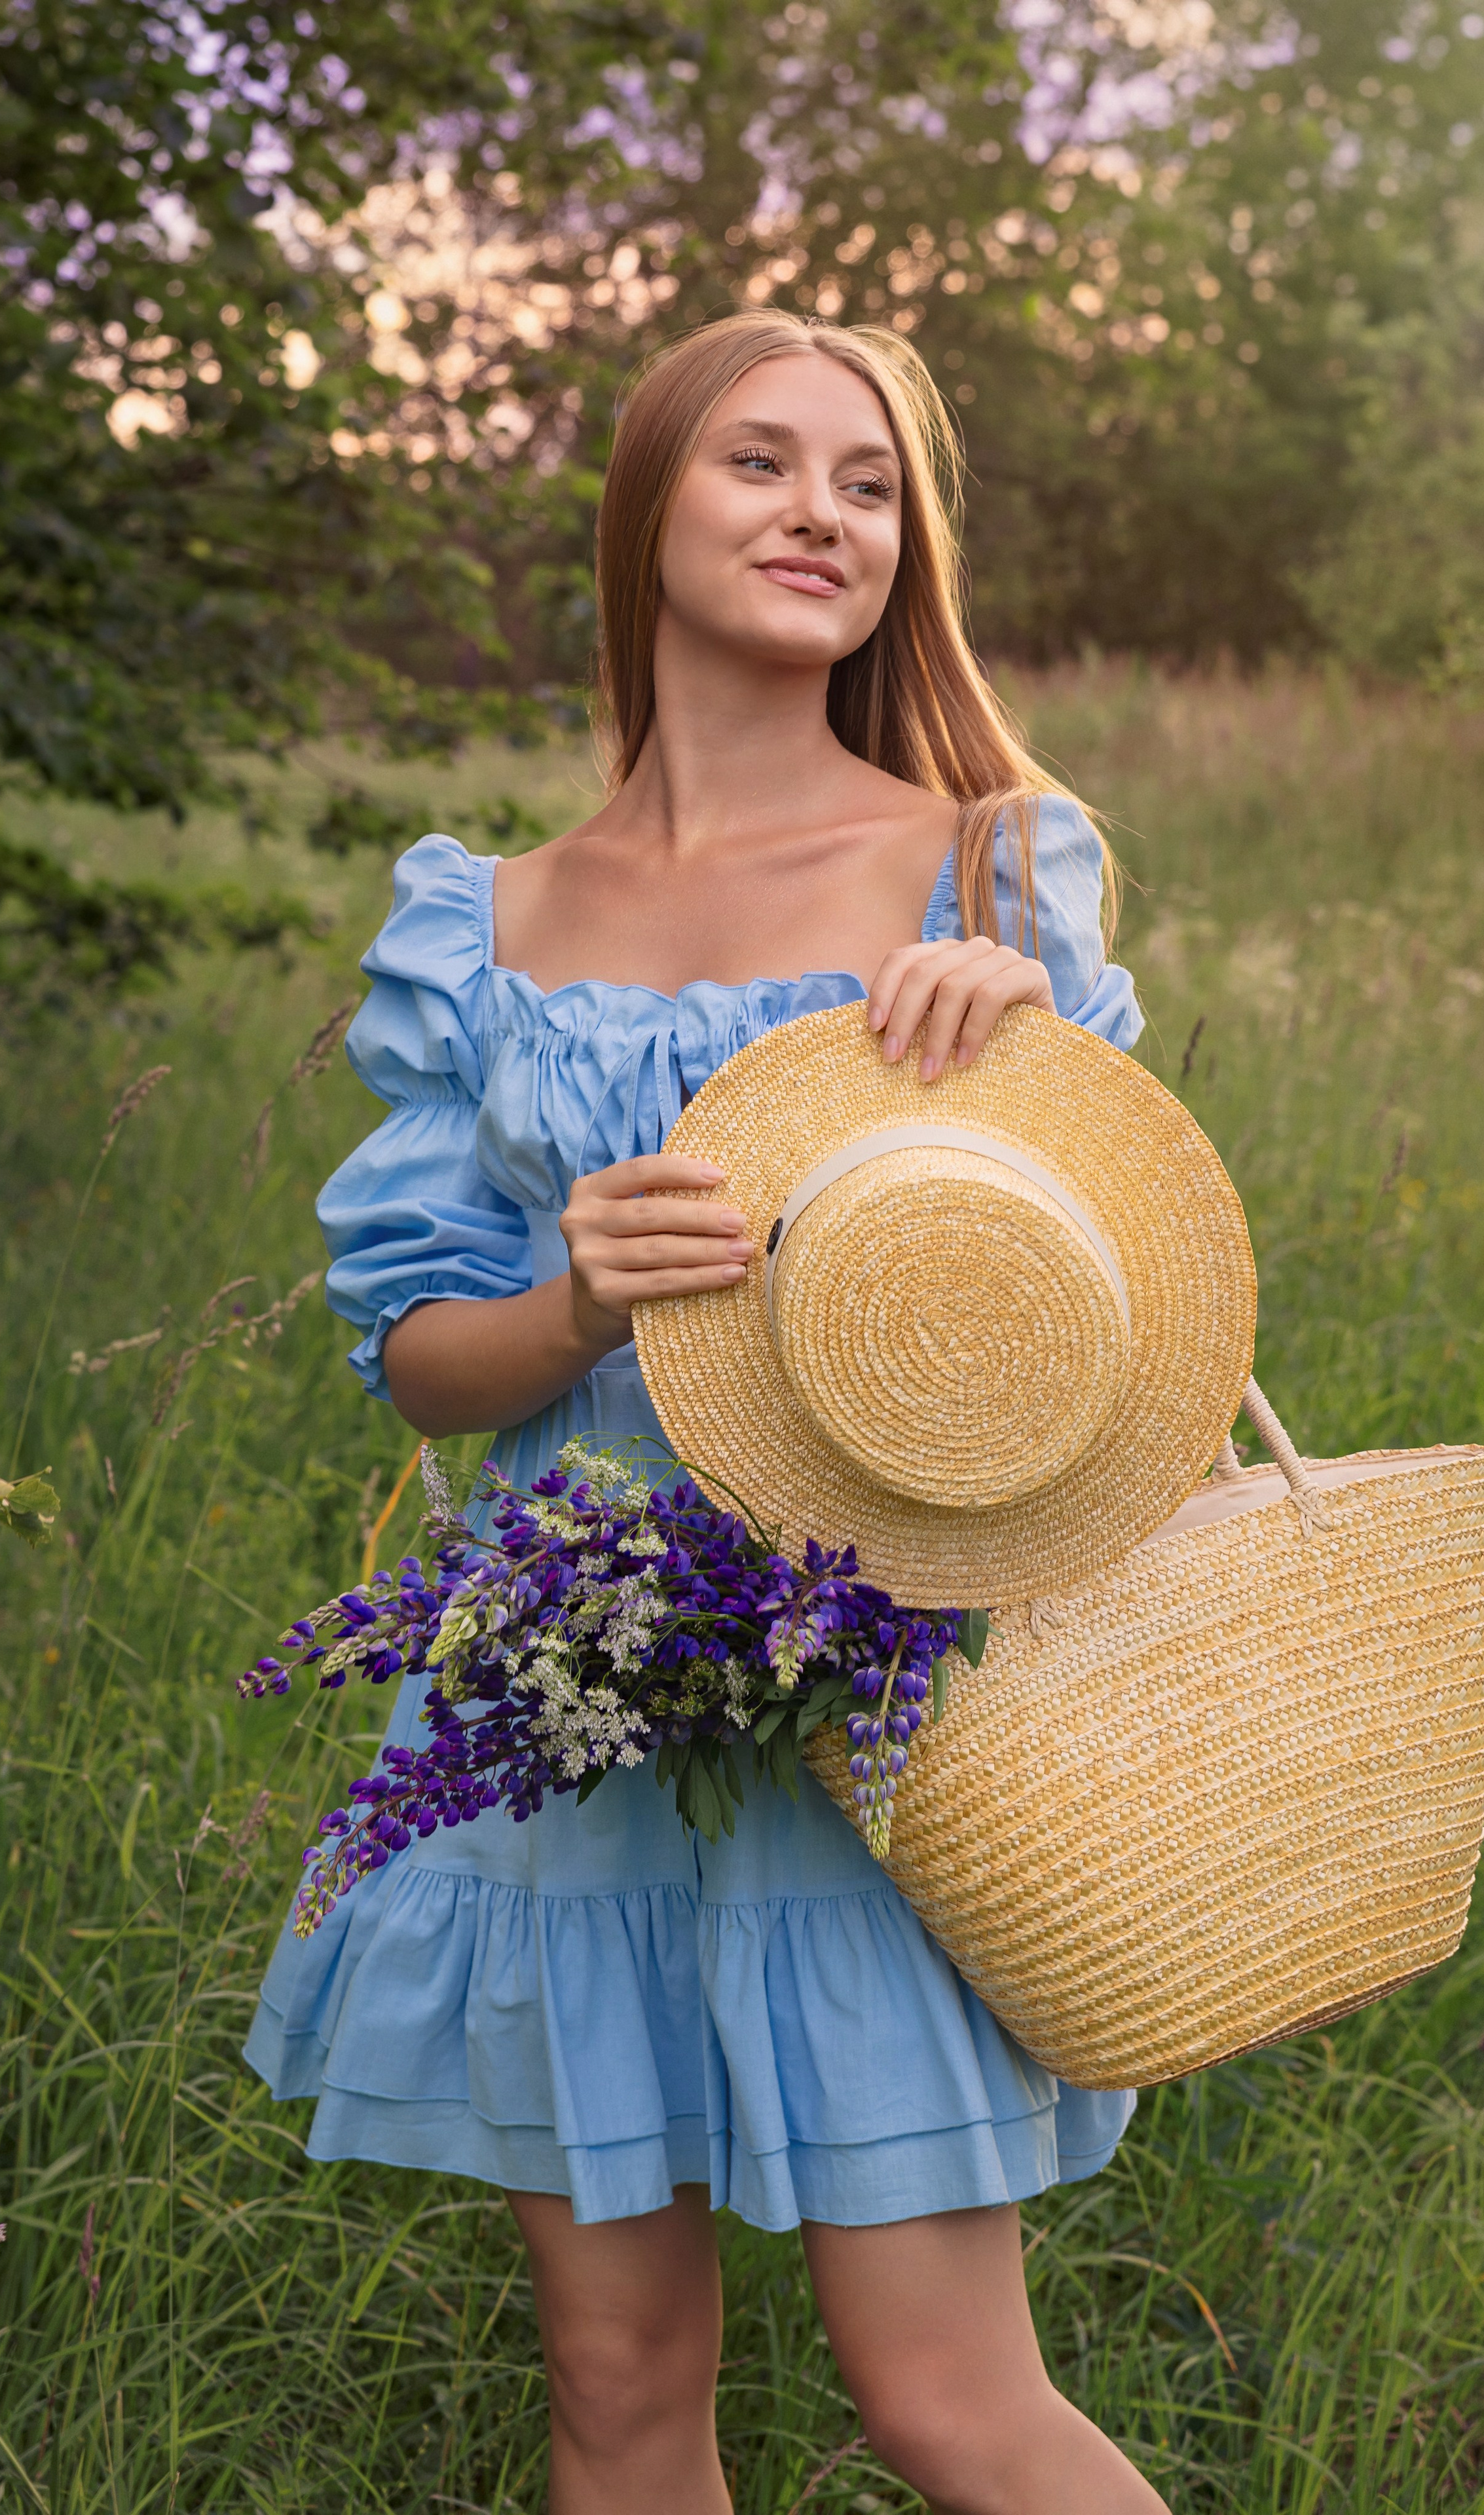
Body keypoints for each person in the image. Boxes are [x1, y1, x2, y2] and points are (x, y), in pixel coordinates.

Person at [247, 309, 1166, 2515]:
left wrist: (1026, 1069)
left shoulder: (985, 874)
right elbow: (415, 1354)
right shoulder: (491, 918)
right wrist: (572, 1297)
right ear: (650, 504)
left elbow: (1135, 1315)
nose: (820, 512)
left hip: (878, 1683)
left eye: (870, 483)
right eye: (762, 461)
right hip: (563, 1682)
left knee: (943, 2400)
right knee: (616, 2385)